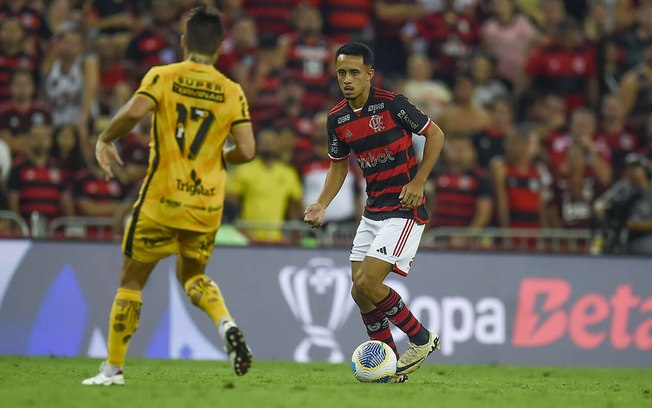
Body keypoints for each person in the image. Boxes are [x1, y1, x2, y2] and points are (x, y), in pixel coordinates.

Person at [82, 7, 256, 386]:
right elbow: (247, 150)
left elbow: (133, 112)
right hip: (206, 205)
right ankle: (226, 323)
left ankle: (113, 369)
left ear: (183, 42)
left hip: (161, 201)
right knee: (194, 276)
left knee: (131, 279)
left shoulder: (163, 76)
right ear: (220, 46)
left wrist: (105, 137)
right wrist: (217, 157)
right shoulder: (232, 90)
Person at [303, 42, 445, 381]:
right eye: (341, 73)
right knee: (359, 290)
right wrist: (322, 203)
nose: (347, 79)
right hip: (373, 210)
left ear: (369, 74)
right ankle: (392, 366)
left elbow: (436, 135)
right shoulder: (337, 119)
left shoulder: (393, 105)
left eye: (354, 72)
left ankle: (421, 338)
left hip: (405, 209)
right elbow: (338, 167)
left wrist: (420, 181)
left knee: (368, 281)